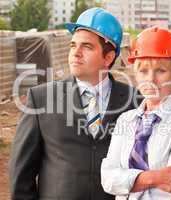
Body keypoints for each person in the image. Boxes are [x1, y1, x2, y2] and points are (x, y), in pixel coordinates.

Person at [9, 8, 140, 200]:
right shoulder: (41, 99)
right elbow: (21, 173)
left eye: (86, 47)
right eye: (73, 45)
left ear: (108, 57)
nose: (76, 53)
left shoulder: (134, 101)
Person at [101, 26, 171, 199]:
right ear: (135, 74)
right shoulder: (125, 120)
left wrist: (125, 183)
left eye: (160, 70)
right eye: (143, 71)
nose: (150, 79)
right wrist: (154, 178)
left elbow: (170, 191)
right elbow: (107, 180)